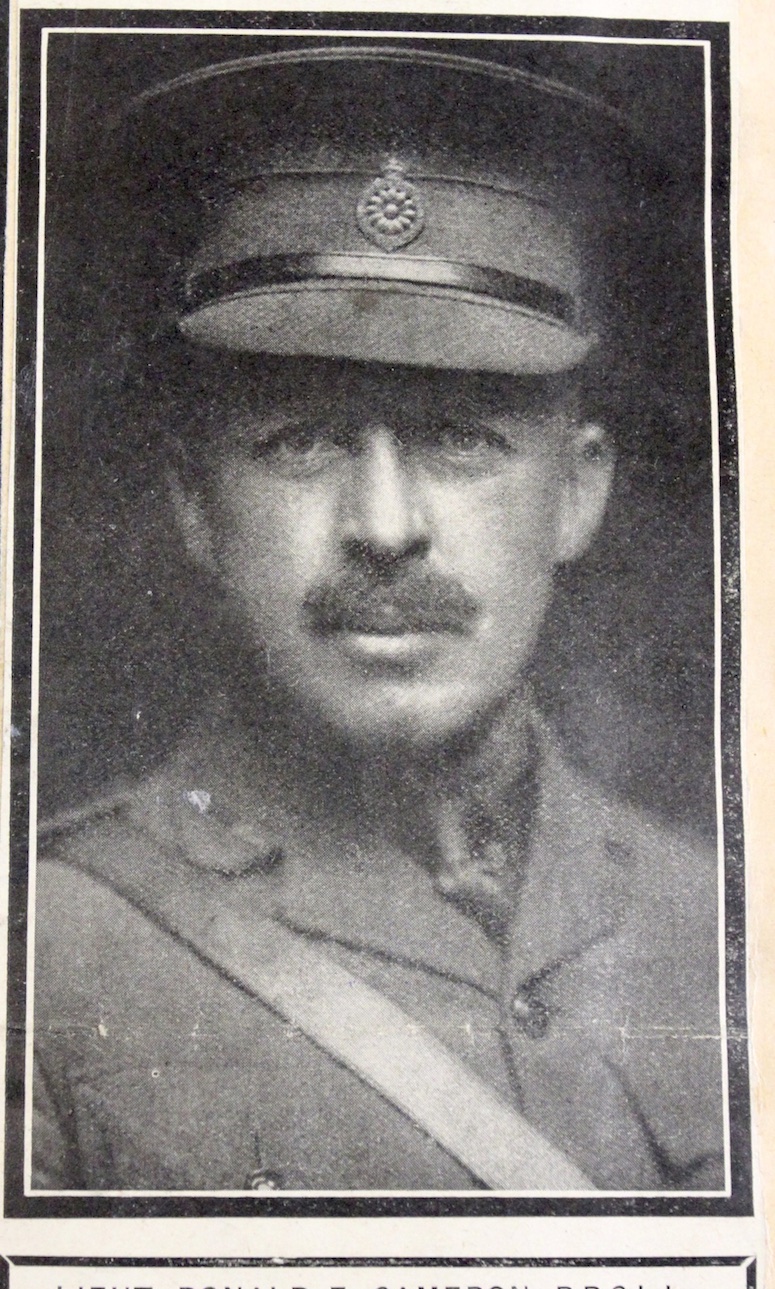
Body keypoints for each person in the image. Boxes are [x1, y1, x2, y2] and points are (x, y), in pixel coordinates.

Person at [32, 42, 724, 1194]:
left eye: (460, 439)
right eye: (303, 441)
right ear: (196, 505)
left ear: (576, 491)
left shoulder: (721, 921)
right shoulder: (45, 959)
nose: (387, 527)